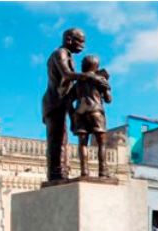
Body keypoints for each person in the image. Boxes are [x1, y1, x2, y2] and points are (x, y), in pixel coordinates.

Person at [42, 28, 107, 181]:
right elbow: (67, 75)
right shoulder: (60, 54)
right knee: (56, 142)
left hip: (62, 102)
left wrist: (73, 113)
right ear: (69, 39)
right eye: (80, 41)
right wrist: (92, 77)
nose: (83, 45)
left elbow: (70, 87)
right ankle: (56, 176)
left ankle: (60, 174)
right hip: (53, 102)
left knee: (62, 140)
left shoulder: (68, 56)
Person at [70, 55, 112, 178]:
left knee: (82, 144)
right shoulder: (100, 79)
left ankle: (84, 171)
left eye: (82, 62)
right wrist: (107, 89)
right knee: (101, 143)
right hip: (96, 111)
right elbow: (109, 100)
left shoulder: (78, 82)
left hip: (80, 113)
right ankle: (103, 171)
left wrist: (73, 113)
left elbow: (69, 100)